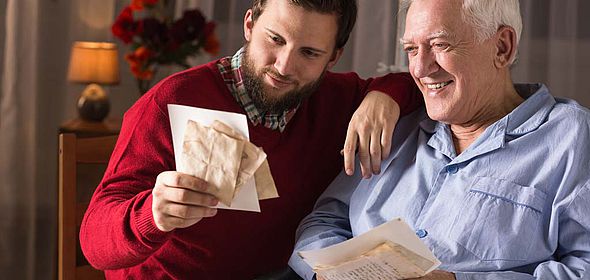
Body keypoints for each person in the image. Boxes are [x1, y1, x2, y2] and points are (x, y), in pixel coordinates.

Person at [80, 0, 421, 279]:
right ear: (249, 24)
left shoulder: (336, 99)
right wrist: (152, 215)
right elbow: (94, 242)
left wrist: (384, 96)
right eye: (275, 39)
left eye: (310, 53)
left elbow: (415, 86)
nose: (284, 66)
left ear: (333, 57)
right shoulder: (171, 101)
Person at [289, 0, 590, 279]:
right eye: (411, 49)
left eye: (440, 45)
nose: (420, 69)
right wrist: (327, 274)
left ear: (502, 47)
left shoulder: (572, 136)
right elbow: (326, 220)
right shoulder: (399, 122)